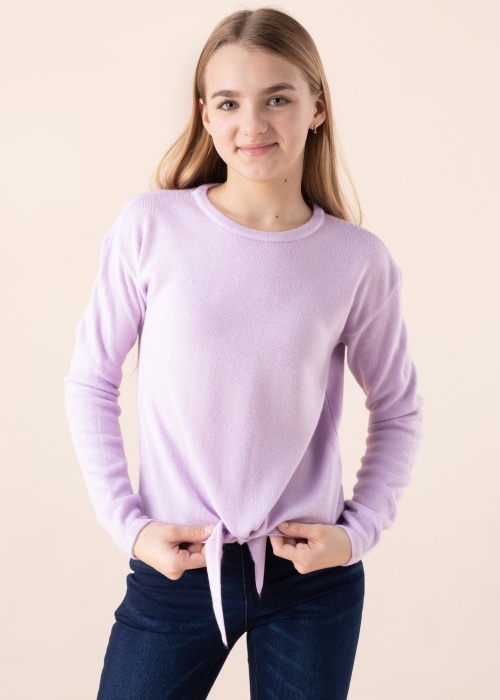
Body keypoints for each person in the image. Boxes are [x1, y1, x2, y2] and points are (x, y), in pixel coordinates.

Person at [64, 7, 424, 700]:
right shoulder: (150, 228)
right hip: (179, 565)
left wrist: (356, 534)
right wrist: (129, 527)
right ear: (205, 115)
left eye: (278, 99)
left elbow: (399, 409)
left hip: (310, 580)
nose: (252, 124)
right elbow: (90, 380)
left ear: (317, 107)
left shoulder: (357, 261)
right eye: (229, 102)